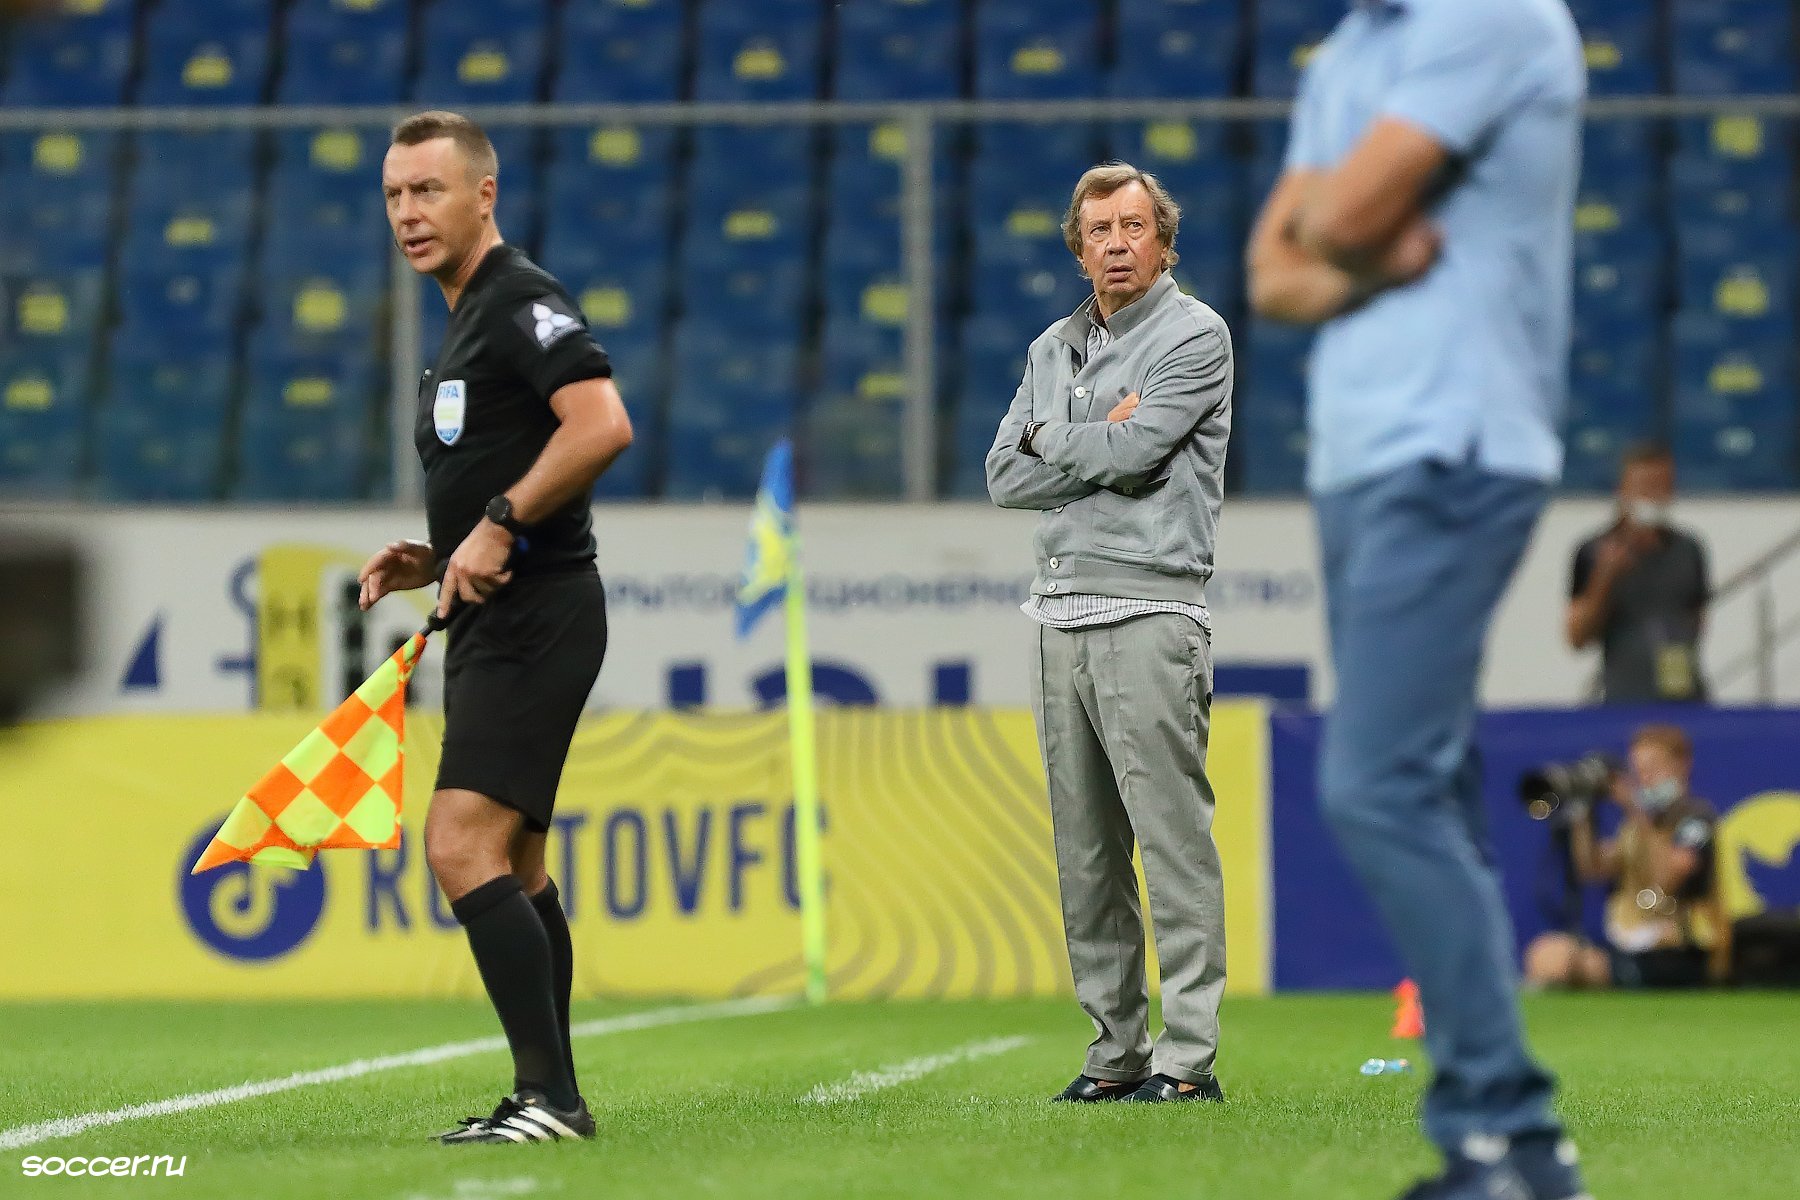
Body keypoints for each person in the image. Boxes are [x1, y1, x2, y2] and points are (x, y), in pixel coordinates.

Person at [1247, 1, 1590, 1197]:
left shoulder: (1492, 13)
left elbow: (1327, 221)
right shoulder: (1350, 49)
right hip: (1356, 460)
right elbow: (1271, 275)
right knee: (1426, 788)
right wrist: (1364, 260)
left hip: (1457, 440)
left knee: (1374, 783)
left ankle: (1505, 1120)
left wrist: (1336, 237)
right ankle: (1508, 1152)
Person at [357, 111, 633, 1145]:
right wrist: (442, 552)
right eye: (394, 194)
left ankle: (549, 1100)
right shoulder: (468, 317)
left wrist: (502, 523)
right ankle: (550, 1098)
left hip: (535, 613)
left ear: (484, 195)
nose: (407, 212)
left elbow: (601, 424)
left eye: (428, 190)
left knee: (457, 844)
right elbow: (509, 464)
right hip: (501, 609)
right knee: (513, 867)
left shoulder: (518, 298)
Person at [987, 163, 1234, 1105]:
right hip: (1057, 611)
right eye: (1101, 231)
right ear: (1079, 248)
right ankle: (1114, 1052)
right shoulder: (1052, 345)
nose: (1118, 245)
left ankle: (1188, 1058)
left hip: (1151, 606)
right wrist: (1087, 438)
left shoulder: (1195, 333)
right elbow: (1002, 475)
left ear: (1164, 244)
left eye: (1135, 227)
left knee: (1171, 842)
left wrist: (1052, 436)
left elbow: (1138, 454)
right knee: (1086, 852)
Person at [1524, 725, 1727, 989]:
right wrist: (1582, 814)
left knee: (1562, 963)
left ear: (1682, 765)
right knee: (1545, 954)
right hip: (1629, 942)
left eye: (1653, 768)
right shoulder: (1633, 827)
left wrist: (1635, 809)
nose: (1645, 778)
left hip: (1676, 948)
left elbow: (1669, 879)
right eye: (1638, 770)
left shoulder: (1694, 817)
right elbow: (1593, 869)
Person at [1567, 443, 1711, 703]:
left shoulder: (1688, 549)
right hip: (1624, 694)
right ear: (1623, 490)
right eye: (1645, 487)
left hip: (1683, 690)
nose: (1654, 496)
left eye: (1663, 487)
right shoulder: (1593, 551)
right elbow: (1577, 637)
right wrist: (1605, 578)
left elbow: (1697, 619)